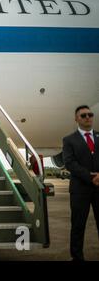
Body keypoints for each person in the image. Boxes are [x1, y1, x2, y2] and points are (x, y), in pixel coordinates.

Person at [62, 105, 99, 261]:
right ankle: (77, 257)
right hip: (79, 190)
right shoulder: (69, 140)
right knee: (78, 226)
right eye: (83, 115)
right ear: (76, 119)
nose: (87, 117)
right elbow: (69, 163)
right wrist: (91, 177)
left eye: (90, 114)